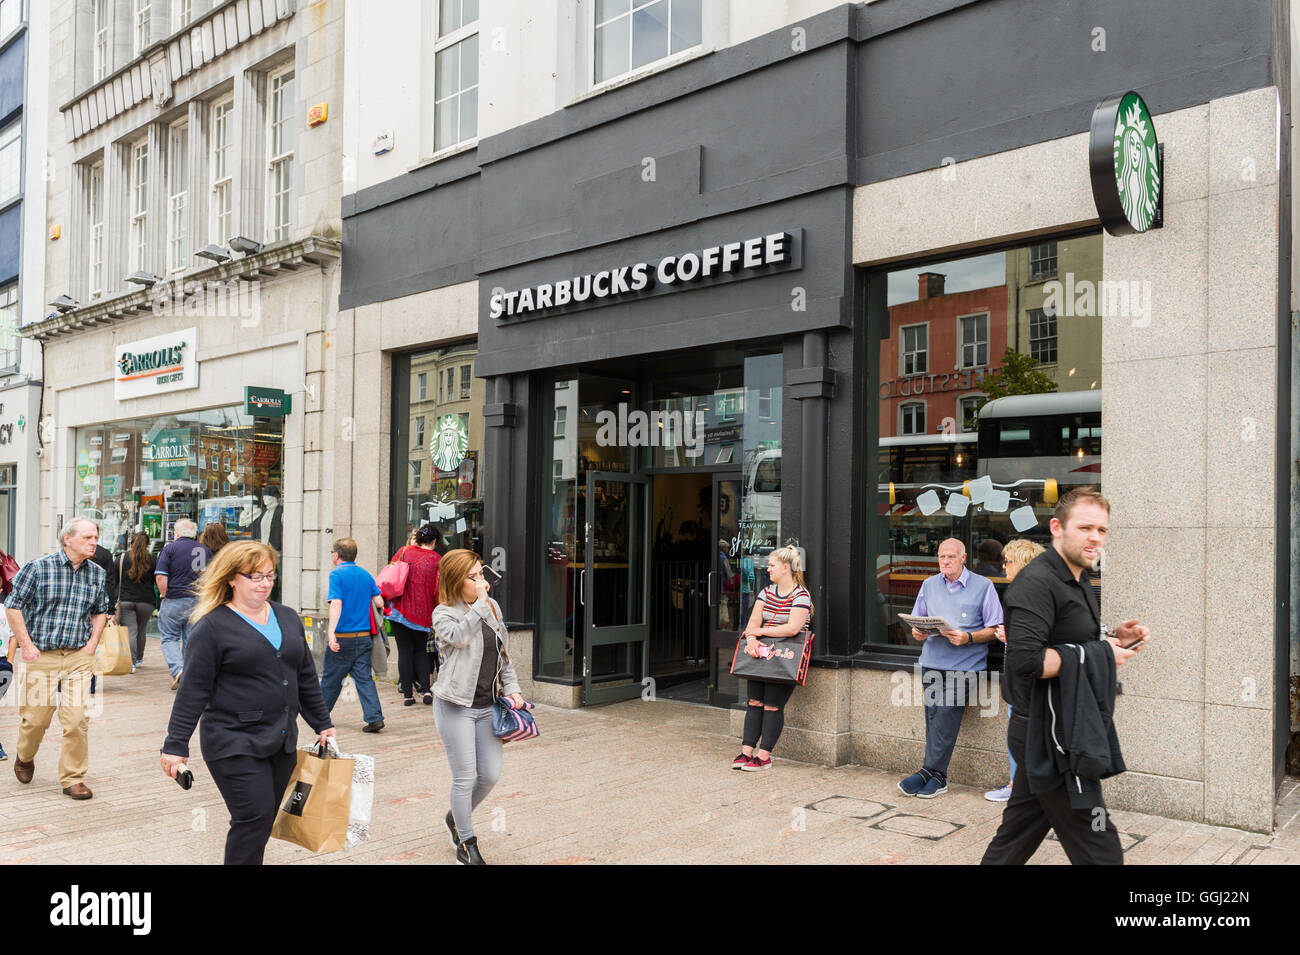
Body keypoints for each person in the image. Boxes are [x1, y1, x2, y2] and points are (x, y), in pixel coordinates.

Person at [981, 487, 1150, 865]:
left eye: (1102, 530)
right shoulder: (1036, 582)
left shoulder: (1079, 578)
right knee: (1099, 844)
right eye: (1085, 527)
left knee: (1016, 835)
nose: (1095, 537)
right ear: (1057, 527)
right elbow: (1026, 661)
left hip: (1050, 727)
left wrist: (1111, 640)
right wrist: (1101, 654)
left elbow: (1070, 644)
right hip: (1051, 736)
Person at [159, 541, 335, 865]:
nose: (265, 583)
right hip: (232, 740)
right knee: (252, 818)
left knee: (265, 818)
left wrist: (323, 724)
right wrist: (175, 745)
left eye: (270, 575)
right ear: (231, 579)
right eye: (255, 576)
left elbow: (306, 676)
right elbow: (193, 690)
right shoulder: (211, 627)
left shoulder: (287, 617)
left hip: (281, 740)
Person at [5, 518, 111, 800]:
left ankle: (73, 778)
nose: (94, 542)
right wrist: (26, 646)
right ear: (68, 539)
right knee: (35, 720)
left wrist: (92, 644)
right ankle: (25, 756)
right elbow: (13, 606)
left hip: (78, 656)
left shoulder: (97, 573)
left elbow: (101, 610)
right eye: (88, 537)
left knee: (77, 720)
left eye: (96, 537)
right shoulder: (38, 568)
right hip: (42, 654)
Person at [431, 549, 524, 865]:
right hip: (455, 705)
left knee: (490, 775)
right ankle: (467, 844)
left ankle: (455, 817)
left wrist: (513, 690)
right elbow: (458, 637)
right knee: (464, 777)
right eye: (473, 577)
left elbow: (503, 655)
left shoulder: (493, 607)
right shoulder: (444, 613)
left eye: (481, 574)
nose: (481, 582)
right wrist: (480, 607)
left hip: (488, 705)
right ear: (457, 582)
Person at [898, 537, 1004, 798]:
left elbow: (995, 629)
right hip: (932, 661)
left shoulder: (984, 586)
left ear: (963, 558)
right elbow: (918, 620)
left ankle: (927, 771)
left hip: (965, 666)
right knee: (933, 718)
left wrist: (968, 637)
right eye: (941, 556)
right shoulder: (928, 585)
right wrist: (918, 632)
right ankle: (938, 776)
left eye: (951, 557)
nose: (945, 561)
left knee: (945, 713)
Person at [732, 545, 813, 772]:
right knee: (754, 702)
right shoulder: (766, 592)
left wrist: (760, 633)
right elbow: (752, 624)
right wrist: (751, 640)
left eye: (772, 565)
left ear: (786, 568)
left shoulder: (801, 595)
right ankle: (746, 752)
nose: (768, 569)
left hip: (784, 657)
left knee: (772, 706)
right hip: (759, 654)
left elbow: (792, 628)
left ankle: (764, 756)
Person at [982, 538, 1045, 802]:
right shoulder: (1030, 592)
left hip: (1029, 683)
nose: (1003, 567)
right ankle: (1020, 786)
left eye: (1007, 562)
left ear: (1021, 563)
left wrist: (1013, 635)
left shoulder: (1034, 595)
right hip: (1021, 680)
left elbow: (1044, 638)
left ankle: (1018, 788)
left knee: (1022, 738)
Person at [321, 538, 386, 733]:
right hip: (364, 637)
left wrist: (331, 633)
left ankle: (320, 715)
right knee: (364, 678)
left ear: (336, 555)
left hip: (344, 637)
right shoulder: (366, 575)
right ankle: (375, 718)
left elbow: (336, 603)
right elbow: (380, 602)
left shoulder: (337, 575)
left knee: (331, 678)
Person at [156, 519, 214, 690]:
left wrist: (164, 593)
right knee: (191, 638)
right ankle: (191, 673)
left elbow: (160, 576)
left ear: (177, 532)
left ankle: (178, 670)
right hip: (198, 600)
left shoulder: (170, 548)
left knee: (169, 637)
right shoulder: (205, 550)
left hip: (175, 598)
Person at [388, 524, 442, 706]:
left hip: (399, 609)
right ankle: (427, 691)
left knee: (404, 652)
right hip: (423, 613)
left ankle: (408, 696)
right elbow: (437, 591)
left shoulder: (404, 551)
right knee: (421, 651)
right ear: (434, 541)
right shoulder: (437, 560)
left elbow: (391, 573)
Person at [117, 533, 158, 668]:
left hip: (126, 600)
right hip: (146, 601)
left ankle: (131, 662)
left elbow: (114, 580)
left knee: (131, 631)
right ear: (147, 544)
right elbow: (155, 580)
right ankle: (139, 658)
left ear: (131, 542)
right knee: (141, 630)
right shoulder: (152, 560)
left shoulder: (122, 558)